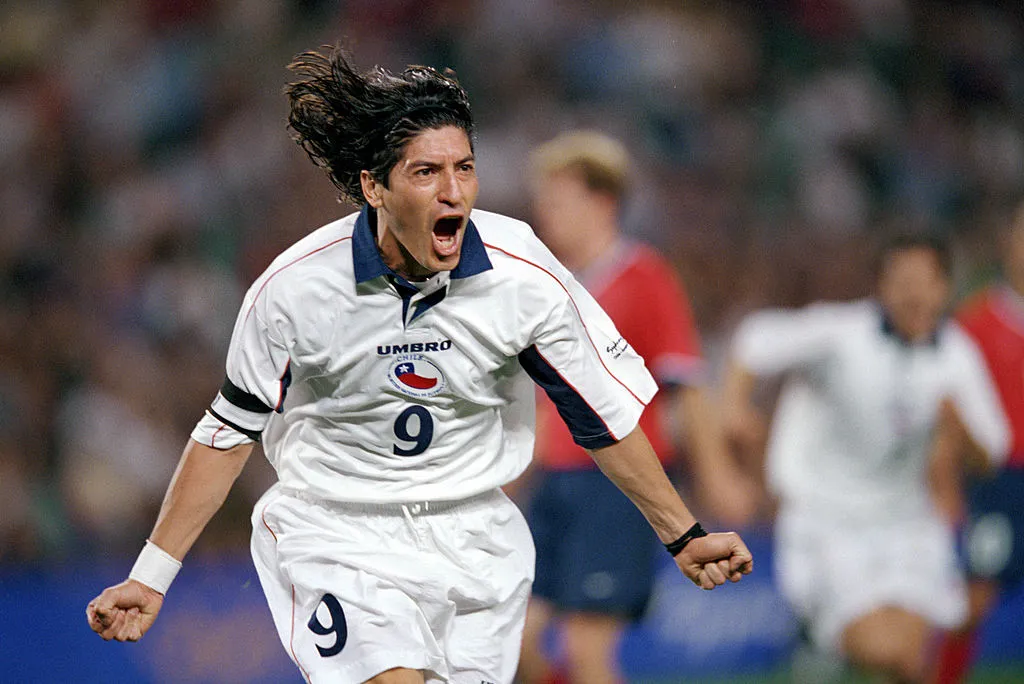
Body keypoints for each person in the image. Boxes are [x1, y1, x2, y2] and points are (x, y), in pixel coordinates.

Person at [85, 46, 754, 684]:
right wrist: (152, 573)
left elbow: (602, 417)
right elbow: (227, 434)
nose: (453, 191)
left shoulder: (522, 274)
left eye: (464, 168)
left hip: (475, 539)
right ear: (374, 187)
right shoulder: (295, 291)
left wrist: (683, 533)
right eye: (426, 173)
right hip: (339, 533)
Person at [514, 131, 758, 684]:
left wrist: (717, 474)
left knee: (587, 651)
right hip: (556, 484)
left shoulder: (644, 276)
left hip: (616, 485)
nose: (543, 215)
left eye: (557, 201)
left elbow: (687, 383)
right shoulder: (551, 288)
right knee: (512, 645)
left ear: (602, 203)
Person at [721, 235, 1009, 683]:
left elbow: (992, 452)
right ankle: (817, 644)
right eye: (902, 282)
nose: (913, 294)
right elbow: (754, 339)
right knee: (885, 649)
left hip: (906, 521)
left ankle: (821, 653)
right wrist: (735, 409)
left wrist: (959, 432)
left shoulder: (956, 354)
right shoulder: (841, 333)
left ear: (944, 288)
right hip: (827, 519)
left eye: (924, 281)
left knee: (911, 661)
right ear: (881, 286)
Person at [934, 200, 1024, 683]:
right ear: (1008, 244)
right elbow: (947, 417)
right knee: (972, 599)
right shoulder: (975, 324)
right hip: (998, 482)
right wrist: (946, 486)